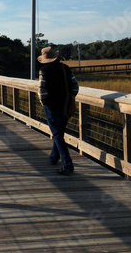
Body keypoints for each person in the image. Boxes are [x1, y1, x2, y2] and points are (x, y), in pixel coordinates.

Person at [37, 47, 79, 175]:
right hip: (65, 105)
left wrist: (44, 103)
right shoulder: (65, 68)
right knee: (59, 133)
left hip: (52, 107)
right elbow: (75, 86)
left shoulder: (44, 70)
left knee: (57, 135)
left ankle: (67, 166)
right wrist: (70, 98)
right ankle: (54, 157)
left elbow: (41, 90)